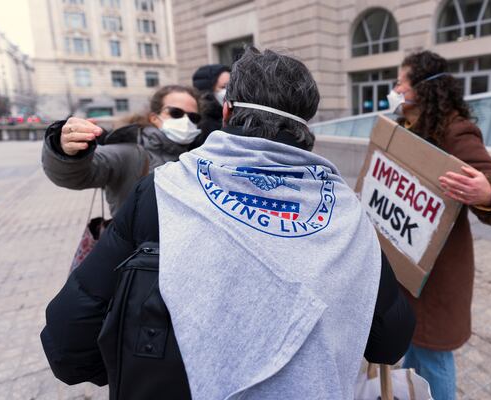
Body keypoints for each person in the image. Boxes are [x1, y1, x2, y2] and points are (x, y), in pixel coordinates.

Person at [41, 47, 416, 399]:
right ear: (306, 126)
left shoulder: (162, 192)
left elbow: (68, 343)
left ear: (227, 111)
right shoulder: (346, 211)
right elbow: (390, 341)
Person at [386, 50, 491, 400]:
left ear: (421, 89)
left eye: (400, 81)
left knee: (433, 354)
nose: (395, 88)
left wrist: (487, 191)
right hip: (408, 264)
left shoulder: (454, 131)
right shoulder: (402, 129)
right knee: (413, 344)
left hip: (438, 271)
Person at [42, 85, 201, 216]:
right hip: (139, 250)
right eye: (176, 113)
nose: (186, 121)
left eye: (193, 117)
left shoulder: (196, 154)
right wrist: (64, 149)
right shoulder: (129, 152)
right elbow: (74, 176)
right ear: (154, 117)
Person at [192, 63, 231, 139]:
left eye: (231, 86)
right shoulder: (203, 124)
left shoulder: (233, 114)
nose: (229, 91)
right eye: (224, 87)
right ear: (208, 90)